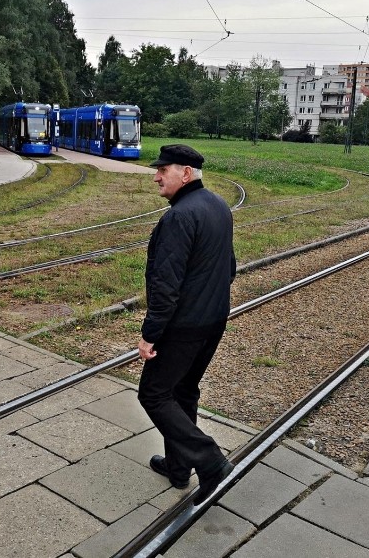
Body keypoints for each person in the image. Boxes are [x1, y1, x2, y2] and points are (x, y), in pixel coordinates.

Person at [137, 143, 236, 505]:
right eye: (158, 169)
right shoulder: (218, 205)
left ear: (187, 173)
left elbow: (165, 285)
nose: (157, 175)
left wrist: (150, 335)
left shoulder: (178, 217)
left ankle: (209, 461)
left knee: (153, 393)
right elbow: (229, 268)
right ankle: (179, 468)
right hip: (213, 321)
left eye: (165, 169)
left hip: (183, 327)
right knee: (183, 391)